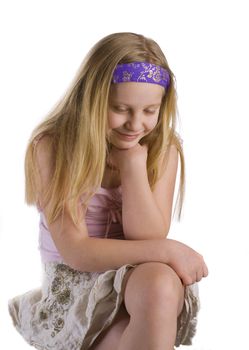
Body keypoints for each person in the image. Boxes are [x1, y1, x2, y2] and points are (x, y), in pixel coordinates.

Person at [8, 32, 208, 350]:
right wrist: (168, 250)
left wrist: (133, 168)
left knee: (160, 282)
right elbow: (77, 251)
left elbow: (147, 236)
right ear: (92, 99)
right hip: (75, 288)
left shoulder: (163, 148)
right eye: (121, 108)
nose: (135, 123)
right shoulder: (53, 147)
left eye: (149, 111)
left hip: (133, 282)